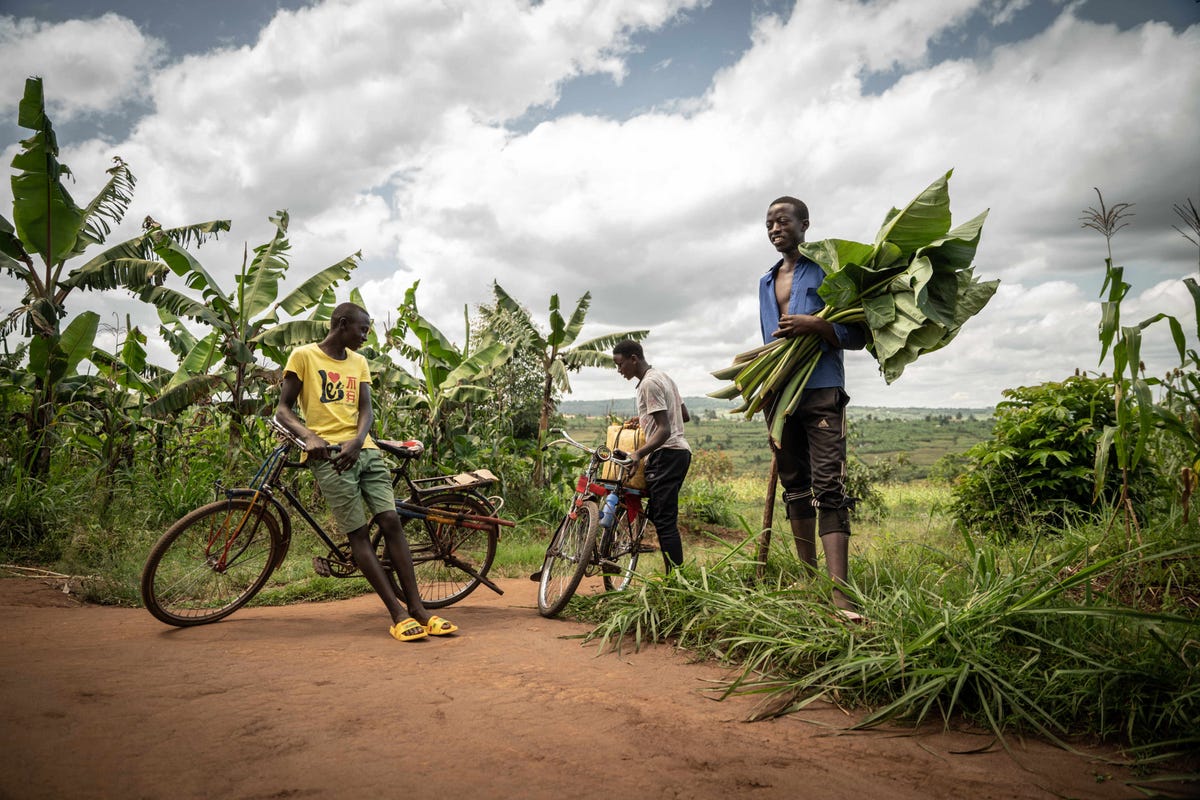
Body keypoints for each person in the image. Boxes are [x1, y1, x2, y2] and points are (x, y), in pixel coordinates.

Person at [275, 302, 457, 642]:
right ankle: (398, 614)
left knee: (391, 521)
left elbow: (366, 410)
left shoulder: (359, 362)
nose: (365, 336)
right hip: (328, 456)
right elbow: (282, 410)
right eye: (362, 329)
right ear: (342, 324)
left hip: (365, 451)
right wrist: (310, 437)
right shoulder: (303, 356)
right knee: (358, 534)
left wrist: (359, 441)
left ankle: (419, 609)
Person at [760, 196, 867, 616]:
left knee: (828, 488)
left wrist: (819, 325)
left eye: (782, 220)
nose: (774, 228)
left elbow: (858, 335)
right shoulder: (766, 281)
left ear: (805, 224)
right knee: (795, 488)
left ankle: (841, 595)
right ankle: (809, 584)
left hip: (821, 391)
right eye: (769, 223)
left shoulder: (828, 270)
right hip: (779, 396)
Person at [612, 340, 691, 572]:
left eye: (620, 364)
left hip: (666, 455)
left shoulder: (648, 384)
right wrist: (645, 418)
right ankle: (675, 577)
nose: (619, 370)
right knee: (660, 514)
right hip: (680, 453)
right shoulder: (665, 378)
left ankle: (677, 582)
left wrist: (637, 454)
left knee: (666, 522)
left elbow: (664, 430)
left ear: (633, 358)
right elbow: (683, 415)